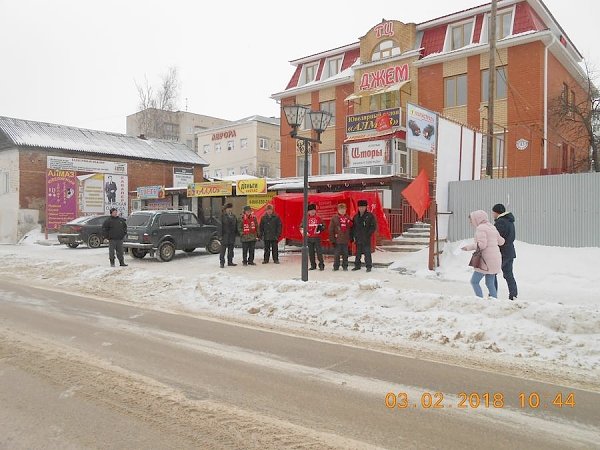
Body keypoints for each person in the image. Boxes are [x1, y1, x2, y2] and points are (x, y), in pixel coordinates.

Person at [462, 210, 505, 298]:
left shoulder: (480, 228)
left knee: (474, 281)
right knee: (490, 283)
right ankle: (494, 302)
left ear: (477, 219)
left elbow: (482, 245)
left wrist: (468, 247)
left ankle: (479, 300)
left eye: (471, 220)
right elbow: (501, 242)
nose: (471, 222)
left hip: (485, 261)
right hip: (496, 259)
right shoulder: (492, 227)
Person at [492, 203, 518, 300]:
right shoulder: (510, 221)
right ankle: (513, 294)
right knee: (508, 274)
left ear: (497, 212)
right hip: (510, 252)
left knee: (492, 273)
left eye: (493, 212)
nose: (492, 214)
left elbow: (497, 238)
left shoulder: (500, 222)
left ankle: (493, 294)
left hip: (502, 252)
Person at [351, 199, 377, 272]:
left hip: (366, 238)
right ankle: (357, 266)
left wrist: (368, 234)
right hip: (358, 238)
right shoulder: (355, 217)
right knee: (358, 253)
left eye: (363, 207)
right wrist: (353, 236)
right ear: (358, 207)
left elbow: (373, 226)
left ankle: (368, 266)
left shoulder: (370, 216)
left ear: (366, 207)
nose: (361, 208)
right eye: (360, 207)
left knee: (367, 253)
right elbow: (353, 227)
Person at [329, 202, 353, 271]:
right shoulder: (334, 218)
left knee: (345, 254)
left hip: (345, 240)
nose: (342, 211)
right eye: (340, 209)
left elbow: (351, 228)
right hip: (337, 240)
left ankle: (345, 266)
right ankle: (336, 266)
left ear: (346, 209)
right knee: (337, 255)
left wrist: (350, 237)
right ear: (338, 210)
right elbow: (331, 229)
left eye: (344, 209)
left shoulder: (348, 217)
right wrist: (332, 240)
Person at [302, 203, 325, 271]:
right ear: (308, 211)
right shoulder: (305, 218)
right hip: (309, 238)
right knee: (311, 253)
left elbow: (323, 226)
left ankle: (321, 265)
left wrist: (321, 228)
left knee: (319, 252)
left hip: (317, 238)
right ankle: (313, 265)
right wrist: (305, 233)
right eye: (310, 210)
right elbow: (301, 227)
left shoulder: (318, 218)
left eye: (313, 210)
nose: (312, 211)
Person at [219, 203, 238, 268]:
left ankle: (230, 262)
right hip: (224, 235)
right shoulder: (222, 216)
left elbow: (236, 226)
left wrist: (236, 234)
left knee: (231, 250)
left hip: (232, 236)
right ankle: (222, 263)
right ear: (226, 209)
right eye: (228, 209)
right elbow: (220, 226)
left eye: (230, 208)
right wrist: (220, 235)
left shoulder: (234, 216)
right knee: (223, 251)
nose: (230, 210)